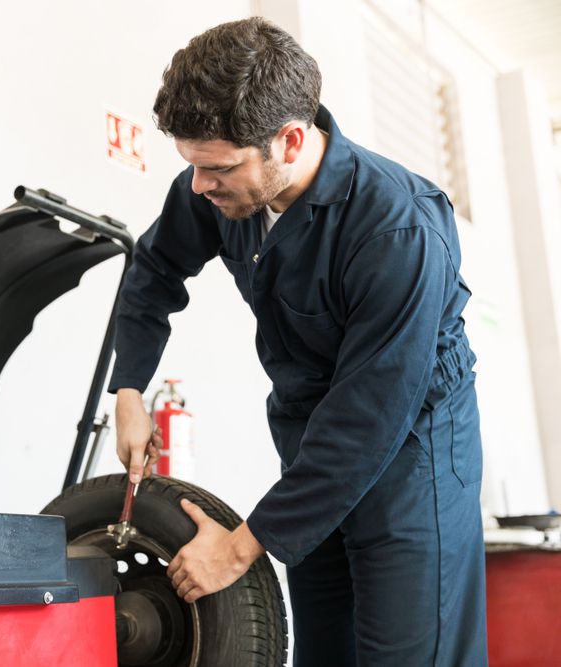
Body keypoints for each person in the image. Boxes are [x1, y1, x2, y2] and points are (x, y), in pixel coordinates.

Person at [109, 16, 487, 666]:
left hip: (414, 451)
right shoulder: (220, 187)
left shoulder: (396, 229)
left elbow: (368, 416)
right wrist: (129, 387)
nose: (199, 187)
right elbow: (155, 269)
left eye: (218, 168)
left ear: (288, 140)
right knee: (325, 650)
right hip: (311, 438)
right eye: (192, 168)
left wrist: (239, 545)